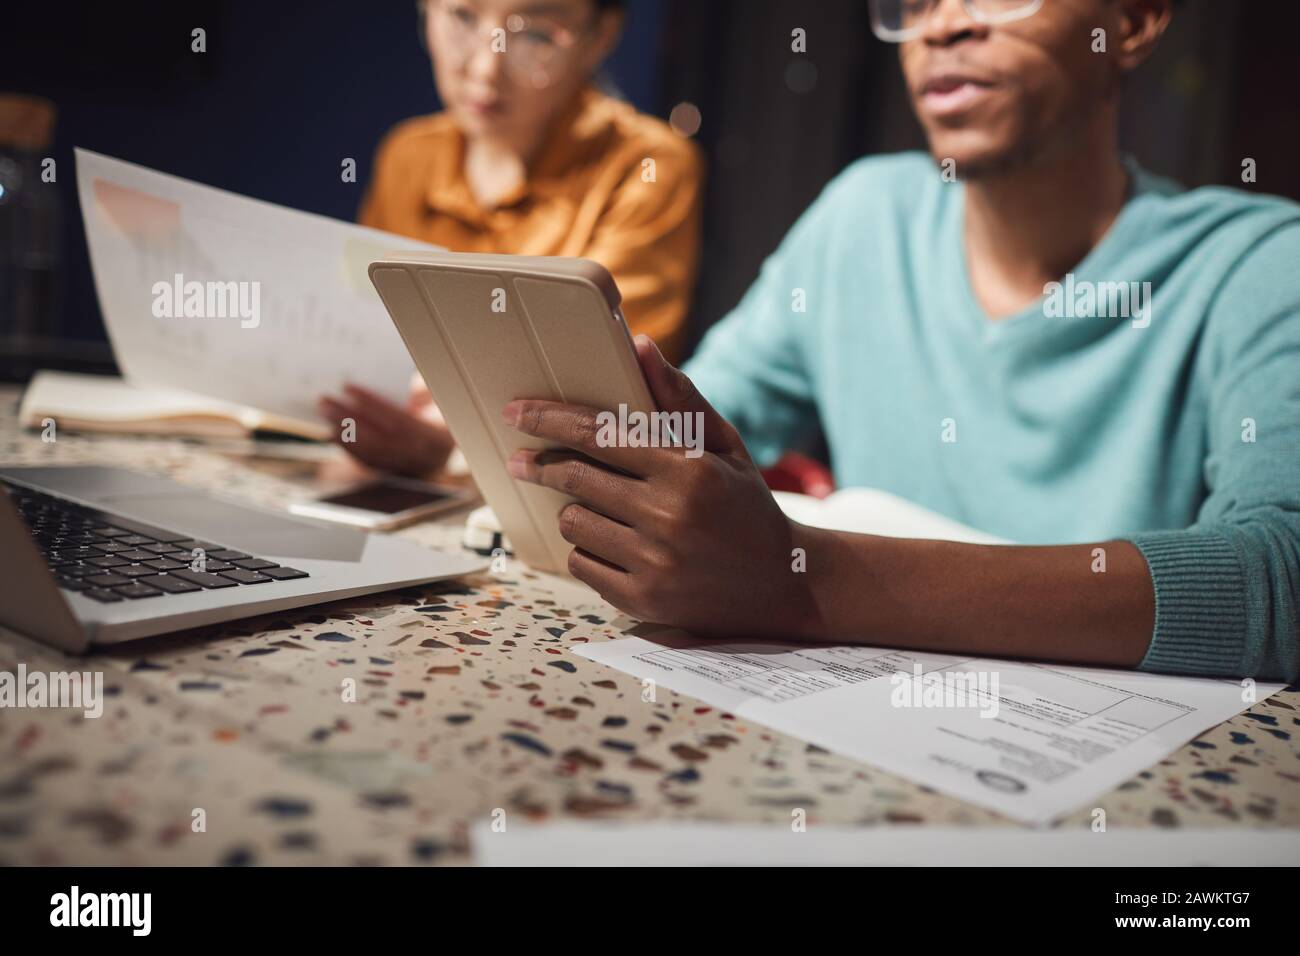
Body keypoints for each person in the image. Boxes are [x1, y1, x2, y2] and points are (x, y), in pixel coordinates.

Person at [501, 0, 1300, 681]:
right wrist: (473, 444)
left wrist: (802, 579)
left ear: (1132, 20)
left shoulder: (1256, 261)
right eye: (913, 1)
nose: (940, 27)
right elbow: (695, 420)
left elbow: (1278, 574)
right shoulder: (865, 217)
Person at [320, 0, 702, 477]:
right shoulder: (408, 155)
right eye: (461, 17)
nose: (484, 69)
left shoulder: (645, 169)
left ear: (600, 37)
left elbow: (600, 390)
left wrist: (452, 445)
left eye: (537, 35)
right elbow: (366, 337)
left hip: (560, 488)